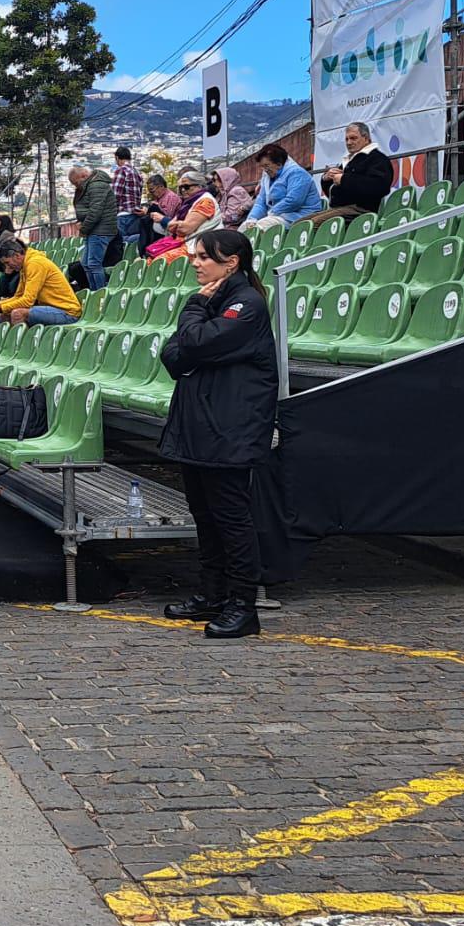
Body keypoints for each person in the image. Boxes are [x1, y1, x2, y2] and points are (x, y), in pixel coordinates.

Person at [157, 229, 277, 640]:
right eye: (195, 255)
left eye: (205, 256)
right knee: (205, 517)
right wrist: (193, 341)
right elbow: (172, 355)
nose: (196, 262)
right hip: (201, 427)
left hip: (229, 430)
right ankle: (212, 594)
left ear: (232, 263)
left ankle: (243, 606)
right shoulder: (217, 302)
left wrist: (193, 309)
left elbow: (192, 340)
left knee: (231, 520)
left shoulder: (246, 305)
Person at [0, 238, 80, 326]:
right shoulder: (25, 265)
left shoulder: (35, 264)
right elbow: (19, 296)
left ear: (17, 256)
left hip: (67, 313)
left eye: (7, 262)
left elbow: (27, 301)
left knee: (18, 314)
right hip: (52, 309)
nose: (8, 267)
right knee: (5, 315)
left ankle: (18, 349)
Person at [309, 122, 393, 223]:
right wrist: (327, 179)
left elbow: (379, 186)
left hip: (360, 210)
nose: (348, 143)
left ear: (366, 139)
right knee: (299, 225)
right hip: (339, 209)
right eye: (346, 139)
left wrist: (343, 179)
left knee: (312, 225)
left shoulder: (378, 159)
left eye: (353, 138)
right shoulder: (349, 160)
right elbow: (332, 193)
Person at [242, 144, 327, 229]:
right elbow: (261, 202)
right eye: (262, 167)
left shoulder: (297, 173)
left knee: (262, 226)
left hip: (301, 217)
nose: (264, 170)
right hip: (279, 216)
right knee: (244, 228)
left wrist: (272, 212)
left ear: (279, 164)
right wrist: (252, 219)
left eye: (266, 166)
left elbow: (294, 201)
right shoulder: (267, 178)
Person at [147, 171, 219, 257]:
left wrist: (170, 222)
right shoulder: (189, 202)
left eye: (186, 187)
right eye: (181, 188)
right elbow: (172, 227)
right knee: (149, 253)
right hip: (183, 241)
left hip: (198, 246)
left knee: (157, 261)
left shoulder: (205, 201)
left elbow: (184, 229)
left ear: (199, 186)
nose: (183, 190)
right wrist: (176, 225)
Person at [70, 163, 118, 291]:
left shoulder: (97, 185)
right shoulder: (92, 185)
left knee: (93, 264)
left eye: (76, 183)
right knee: (86, 263)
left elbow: (95, 211)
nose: (77, 186)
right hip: (95, 229)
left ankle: (100, 292)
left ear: (83, 176)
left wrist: (84, 228)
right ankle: (93, 290)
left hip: (101, 229)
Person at [112, 147, 144, 253]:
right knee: (132, 249)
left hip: (122, 215)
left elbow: (115, 194)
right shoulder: (136, 173)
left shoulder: (121, 171)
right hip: (135, 213)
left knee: (122, 244)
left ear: (117, 158)